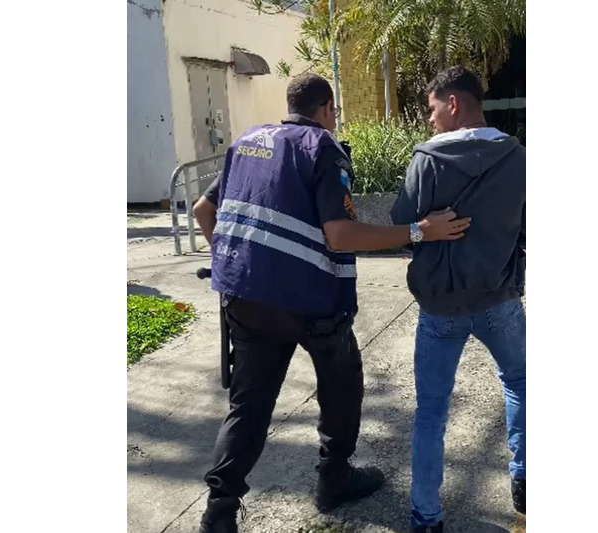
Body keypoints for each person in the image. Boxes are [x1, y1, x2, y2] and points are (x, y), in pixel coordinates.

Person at [192, 72, 472, 533]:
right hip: (310, 303)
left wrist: (234, 261)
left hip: (244, 298)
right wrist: (420, 231)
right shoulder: (321, 147)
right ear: (326, 110)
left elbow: (204, 211)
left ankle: (219, 511)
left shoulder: (247, 141)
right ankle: (334, 477)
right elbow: (340, 236)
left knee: (249, 406)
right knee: (342, 384)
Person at [390, 65, 526, 533]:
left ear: (453, 104)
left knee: (431, 411)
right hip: (499, 300)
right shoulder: (518, 158)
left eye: (432, 109)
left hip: (440, 306)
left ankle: (426, 517)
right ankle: (525, 480)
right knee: (521, 383)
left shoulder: (426, 160)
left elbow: (402, 224)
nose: (430, 119)